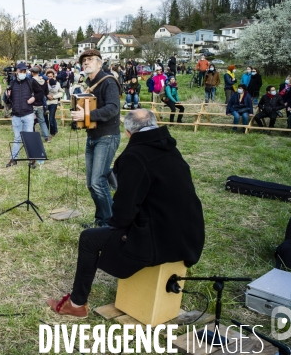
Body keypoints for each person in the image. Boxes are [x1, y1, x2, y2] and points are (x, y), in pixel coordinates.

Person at [46, 109, 204, 317]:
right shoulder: (171, 148)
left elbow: (123, 212)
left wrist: (117, 227)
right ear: (155, 124)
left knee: (88, 238)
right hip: (189, 237)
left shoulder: (135, 156)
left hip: (161, 240)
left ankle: (76, 305)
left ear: (128, 133)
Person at [71, 49, 120, 227]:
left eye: (90, 60)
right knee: (92, 184)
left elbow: (113, 108)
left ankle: (111, 224)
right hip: (92, 136)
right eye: (84, 61)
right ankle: (102, 220)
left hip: (107, 136)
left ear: (100, 63)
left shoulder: (108, 82)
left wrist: (88, 114)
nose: (86, 63)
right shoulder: (90, 85)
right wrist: (79, 119)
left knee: (98, 182)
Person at [5, 62, 35, 167]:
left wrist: (34, 99)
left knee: (29, 137)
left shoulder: (30, 82)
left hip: (28, 114)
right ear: (16, 71)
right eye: (21, 71)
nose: (23, 73)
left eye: (24, 71)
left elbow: (40, 94)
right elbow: (7, 101)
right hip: (16, 115)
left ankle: (32, 159)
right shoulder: (12, 84)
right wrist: (7, 96)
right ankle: (14, 159)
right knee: (17, 138)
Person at [30, 66, 50, 142]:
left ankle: (32, 137)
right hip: (41, 104)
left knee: (30, 121)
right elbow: (46, 92)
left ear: (32, 73)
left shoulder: (31, 81)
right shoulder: (44, 81)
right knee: (42, 121)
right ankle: (47, 137)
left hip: (33, 103)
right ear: (38, 73)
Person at [46, 70, 65, 137]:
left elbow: (61, 92)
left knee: (51, 117)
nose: (49, 77)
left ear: (53, 76)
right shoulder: (44, 83)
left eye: (51, 76)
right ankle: (49, 130)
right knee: (47, 118)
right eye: (48, 76)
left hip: (54, 102)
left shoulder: (57, 83)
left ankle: (52, 132)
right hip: (46, 102)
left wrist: (54, 97)